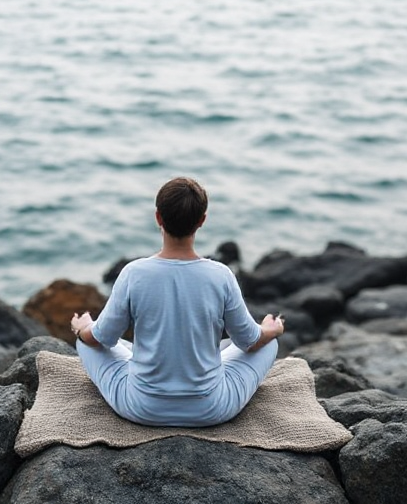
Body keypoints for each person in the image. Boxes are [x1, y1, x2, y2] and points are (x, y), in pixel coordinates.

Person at [70, 176, 284, 427]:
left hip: (141, 407)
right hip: (211, 409)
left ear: (158, 217)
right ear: (202, 220)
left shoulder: (134, 273)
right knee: (269, 344)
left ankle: (135, 357)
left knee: (86, 343)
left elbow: (100, 338)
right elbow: (250, 341)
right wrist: (272, 330)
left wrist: (82, 328)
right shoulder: (221, 275)